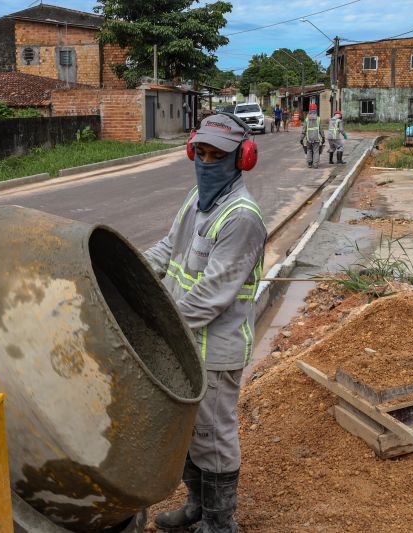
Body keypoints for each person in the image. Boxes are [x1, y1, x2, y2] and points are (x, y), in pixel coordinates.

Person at [145, 113, 266, 533]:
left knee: (213, 436)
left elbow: (211, 295)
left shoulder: (242, 218)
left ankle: (219, 523)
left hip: (215, 350)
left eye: (218, 155)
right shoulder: (197, 199)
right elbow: (168, 248)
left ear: (241, 158)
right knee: (189, 432)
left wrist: (162, 326)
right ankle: (197, 505)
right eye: (201, 152)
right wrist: (129, 269)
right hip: (184, 343)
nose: (207, 161)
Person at [300, 102, 324, 168]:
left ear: (309, 110)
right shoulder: (318, 119)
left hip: (309, 139)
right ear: (316, 110)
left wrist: (301, 139)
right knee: (316, 151)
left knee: (309, 150)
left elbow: (304, 130)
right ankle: (315, 165)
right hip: (316, 138)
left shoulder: (307, 119)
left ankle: (310, 163)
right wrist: (323, 137)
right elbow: (321, 129)